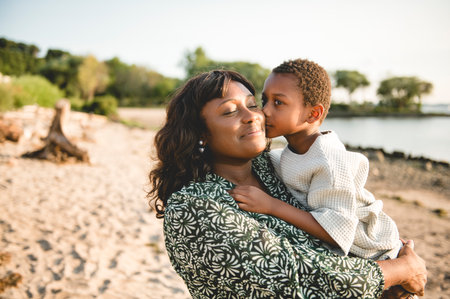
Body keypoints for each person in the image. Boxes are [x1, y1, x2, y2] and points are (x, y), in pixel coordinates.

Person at [148, 70, 426, 298]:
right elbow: (297, 277)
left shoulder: (277, 167)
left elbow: (345, 220)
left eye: (253, 104)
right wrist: (398, 271)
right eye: (230, 111)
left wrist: (387, 277)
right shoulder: (194, 206)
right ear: (200, 134)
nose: (253, 116)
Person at [230, 59, 402, 261]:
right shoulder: (289, 152)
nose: (265, 111)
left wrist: (270, 205)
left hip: (378, 251)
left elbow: (337, 231)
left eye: (278, 102)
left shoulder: (329, 161)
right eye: (264, 100)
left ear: (313, 114)